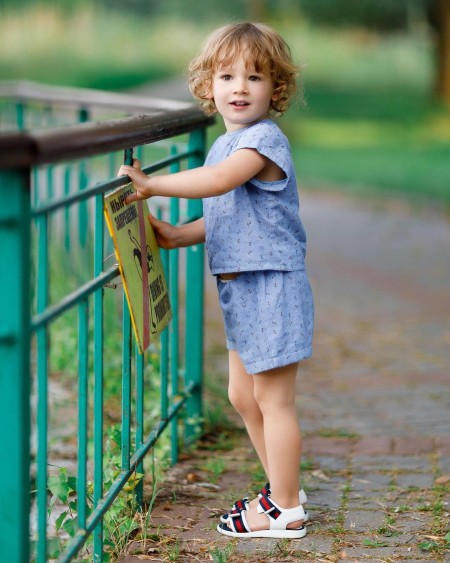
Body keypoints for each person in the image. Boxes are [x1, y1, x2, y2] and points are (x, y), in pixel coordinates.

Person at [118, 22, 314, 539]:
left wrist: (153, 184)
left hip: (270, 285)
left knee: (273, 400)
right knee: (242, 396)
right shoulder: (225, 145)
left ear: (278, 89)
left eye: (255, 76)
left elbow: (220, 184)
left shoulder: (262, 142)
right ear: (208, 86)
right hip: (240, 288)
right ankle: (281, 484)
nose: (240, 87)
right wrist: (180, 235)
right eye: (227, 76)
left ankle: (286, 508)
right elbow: (229, 210)